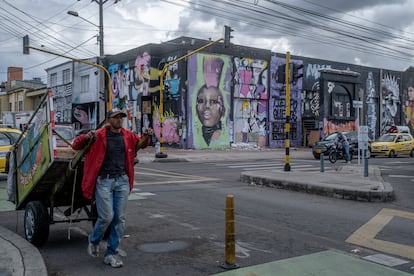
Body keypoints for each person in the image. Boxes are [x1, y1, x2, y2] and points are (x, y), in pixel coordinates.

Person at [71, 109, 153, 268]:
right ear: (108, 119)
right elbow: (76, 144)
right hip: (104, 182)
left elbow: (140, 144)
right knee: (106, 217)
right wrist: (87, 136)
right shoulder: (98, 135)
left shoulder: (127, 135)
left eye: (121, 118)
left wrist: (147, 136)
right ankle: (94, 240)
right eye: (116, 117)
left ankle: (111, 253)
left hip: (122, 180)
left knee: (119, 220)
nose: (119, 120)